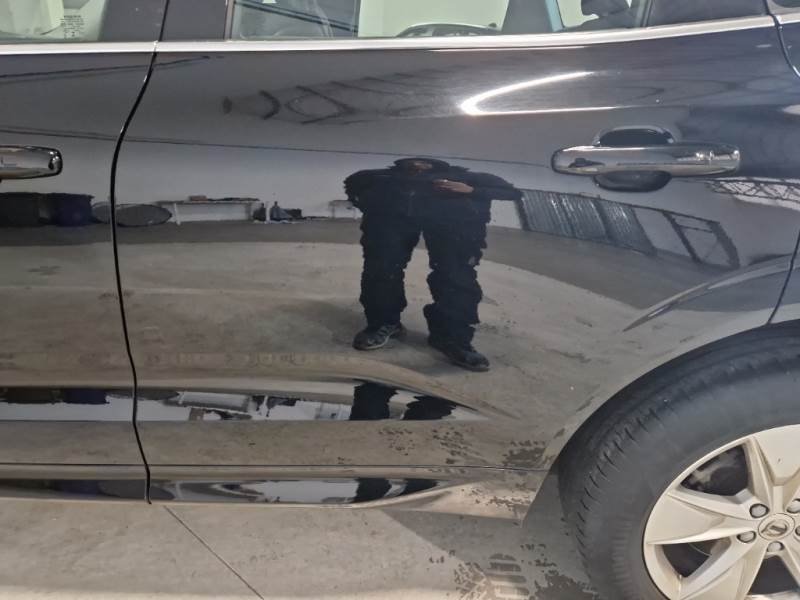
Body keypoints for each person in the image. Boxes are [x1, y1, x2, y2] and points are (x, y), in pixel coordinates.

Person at [345, 158, 521, 372]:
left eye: (424, 162)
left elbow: (513, 192)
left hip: (451, 225)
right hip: (394, 223)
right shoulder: (382, 176)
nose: (418, 166)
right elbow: (352, 184)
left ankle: (451, 337)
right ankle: (383, 323)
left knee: (455, 278)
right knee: (381, 272)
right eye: (413, 162)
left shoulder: (465, 177)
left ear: (436, 164)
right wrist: (368, 203)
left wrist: (472, 190)